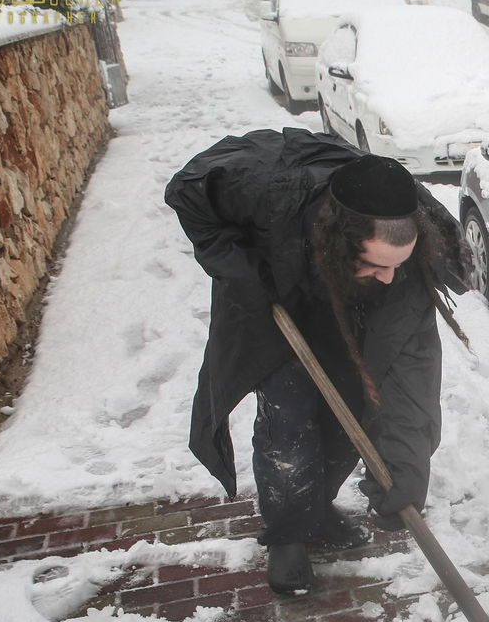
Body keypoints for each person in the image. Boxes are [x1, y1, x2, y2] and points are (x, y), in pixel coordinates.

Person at [165, 128, 468, 595]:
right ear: (340, 239)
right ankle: (287, 533)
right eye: (376, 264)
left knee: (352, 413)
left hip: (346, 310)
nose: (389, 277)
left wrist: (405, 469)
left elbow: (411, 377)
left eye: (397, 265)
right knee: (288, 418)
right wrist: (242, 273)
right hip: (277, 296)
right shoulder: (264, 185)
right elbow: (187, 191)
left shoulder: (406, 270)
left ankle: (316, 507)